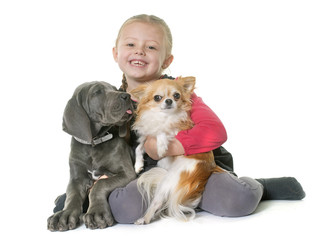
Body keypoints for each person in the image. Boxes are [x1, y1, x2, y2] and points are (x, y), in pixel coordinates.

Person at [53, 14, 305, 223]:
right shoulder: (111, 101)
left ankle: (256, 187)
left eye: (151, 47)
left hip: (194, 169)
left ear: (167, 59)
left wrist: (169, 147)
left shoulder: (178, 92)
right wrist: (81, 192)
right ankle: (171, 202)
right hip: (148, 178)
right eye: (130, 45)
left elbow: (215, 131)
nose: (139, 50)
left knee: (236, 200)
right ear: (115, 53)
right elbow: (96, 147)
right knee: (123, 210)